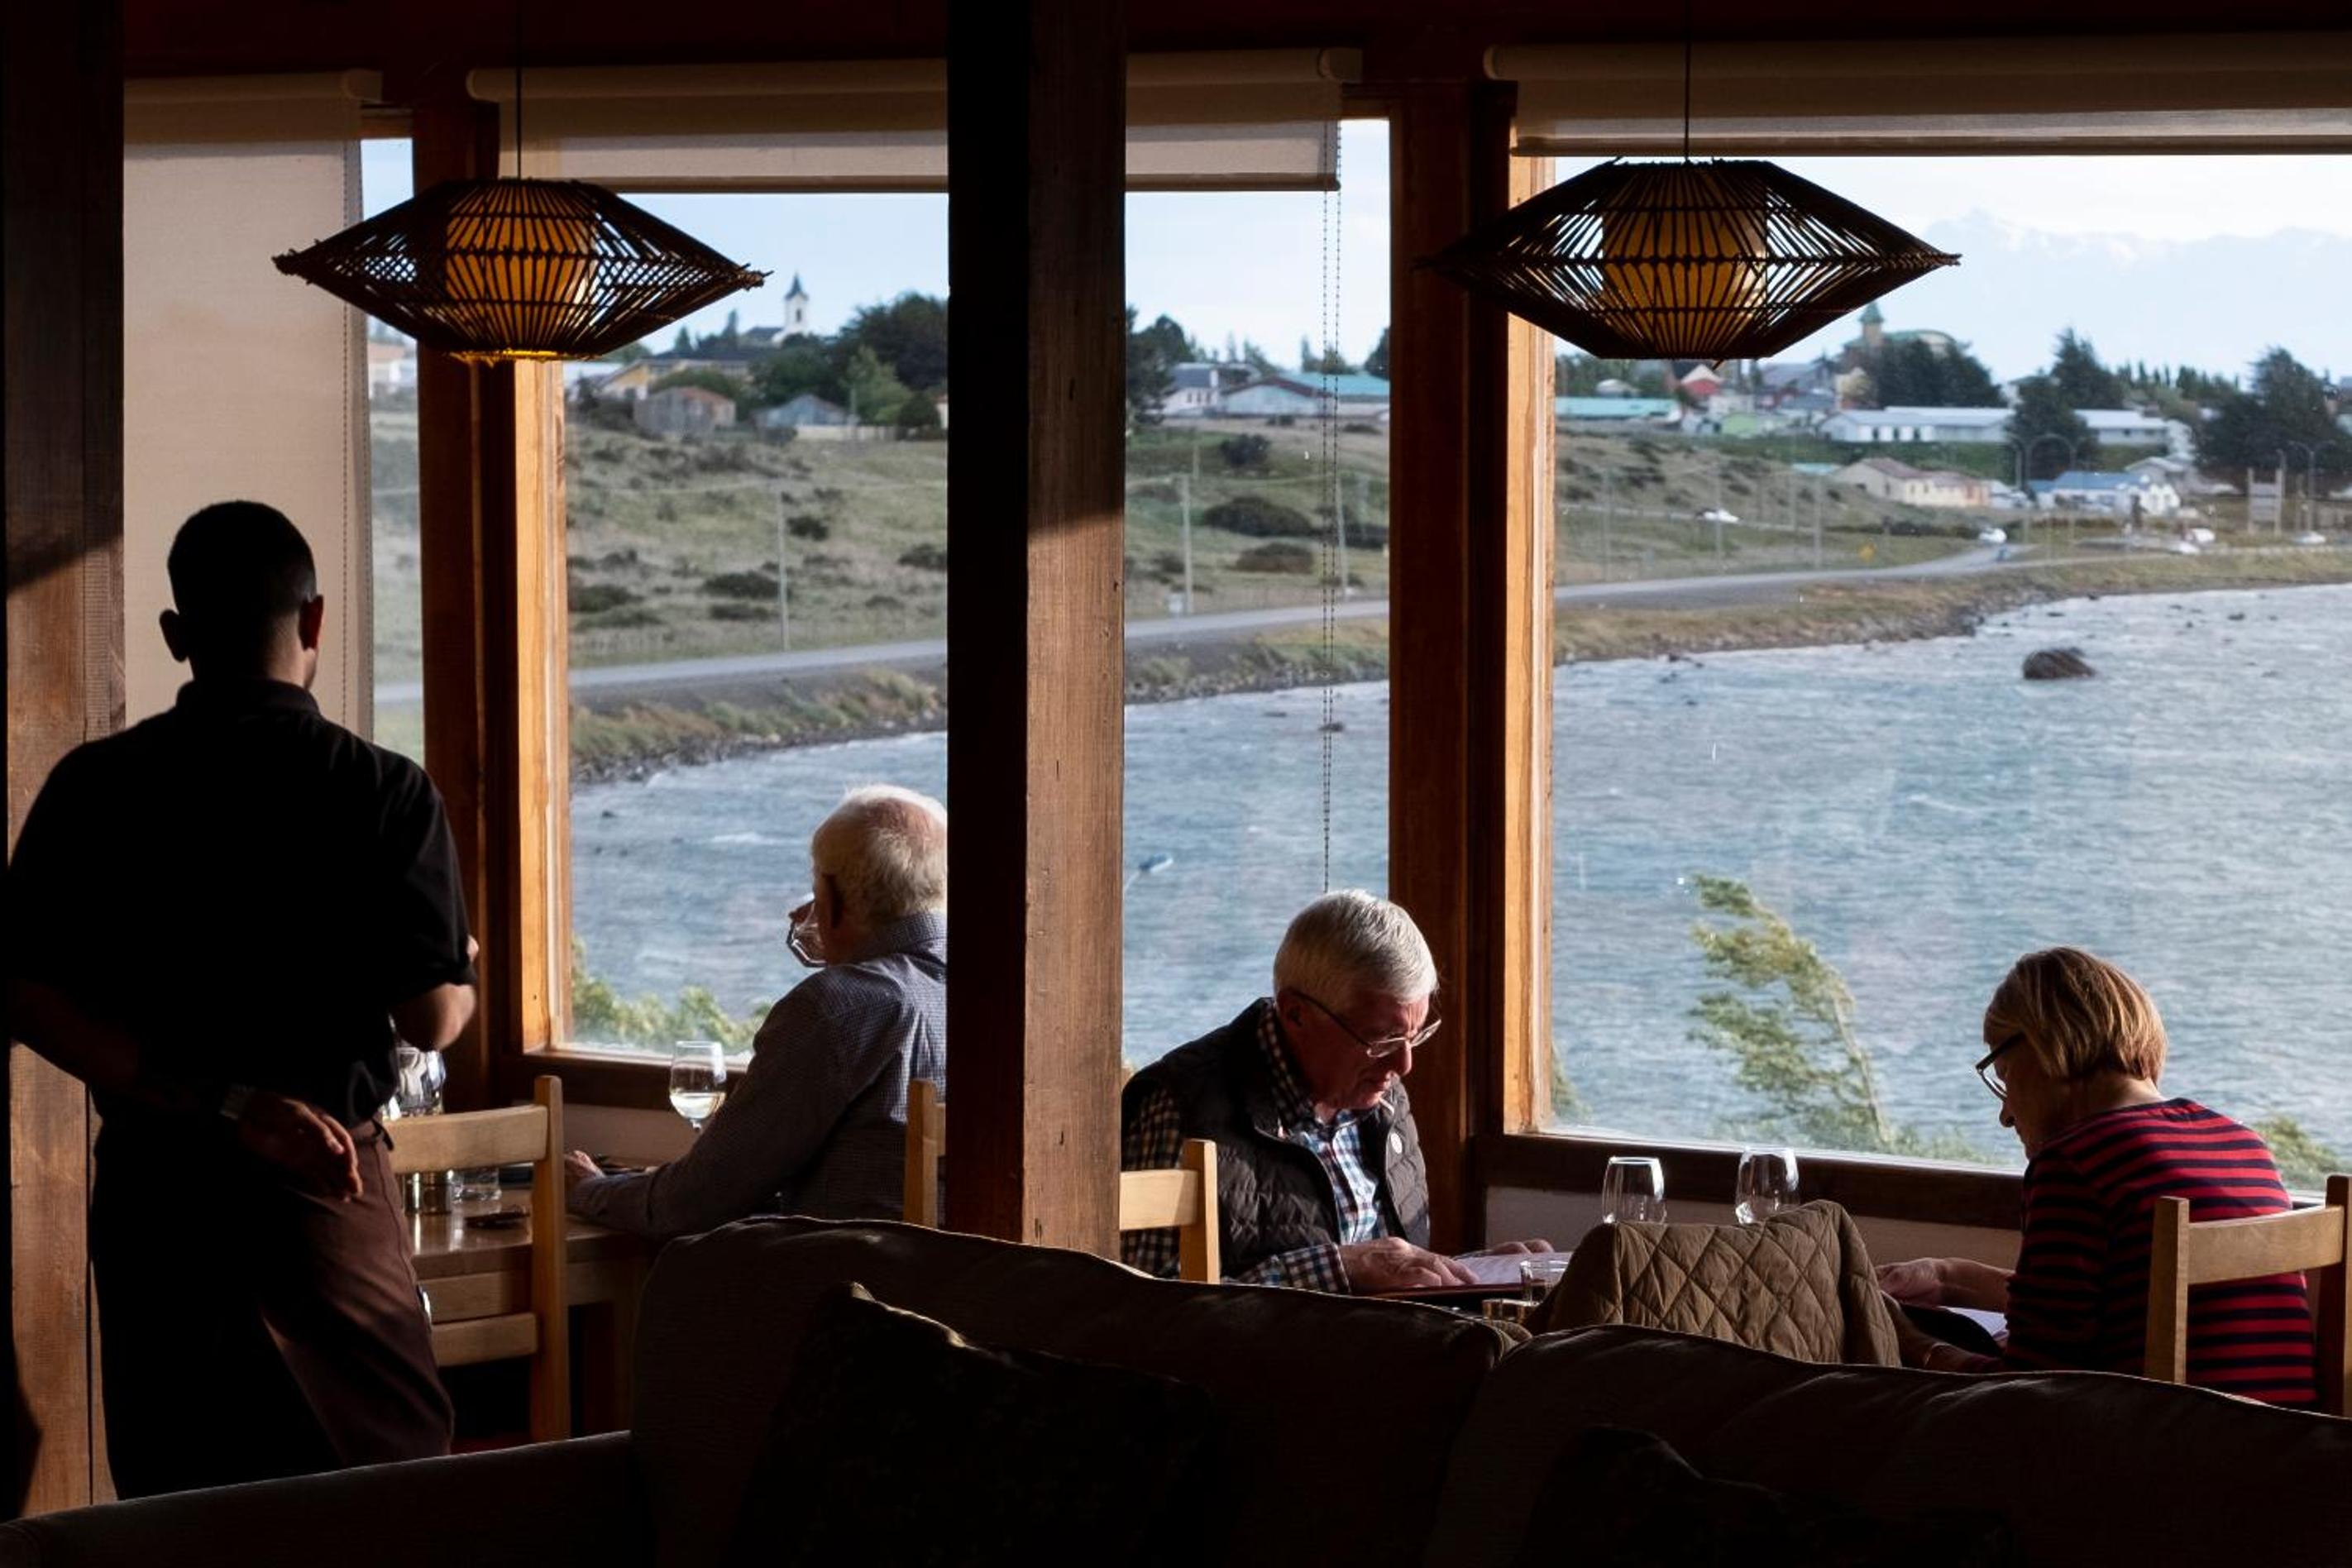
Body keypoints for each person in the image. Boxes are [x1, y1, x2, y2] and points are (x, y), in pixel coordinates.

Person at [7, 501, 476, 1495]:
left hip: (156, 1193)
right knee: (385, 1495)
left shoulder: (94, 785)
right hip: (324, 1190)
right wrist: (463, 967)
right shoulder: (383, 790)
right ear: (315, 620)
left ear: (176, 635)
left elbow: (26, 994)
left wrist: (218, 1101)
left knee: (179, 1489)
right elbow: (430, 1020)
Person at [1880, 947, 2316, 1408]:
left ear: (2043, 1043)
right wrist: (1949, 1277)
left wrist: (1909, 1340)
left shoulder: (2075, 1163)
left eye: (2004, 1077)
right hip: (2279, 1440)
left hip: (2159, 1447)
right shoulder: (2242, 1144)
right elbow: (2136, 1301)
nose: (2006, 1115)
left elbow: (2025, 1392)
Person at [566, 785, 947, 1237]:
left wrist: (591, 1189)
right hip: (965, 1275)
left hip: (841, 1275)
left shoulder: (836, 1007)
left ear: (834, 899)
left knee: (678, 1265)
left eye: (816, 889)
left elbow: (697, 1199)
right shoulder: (994, 995)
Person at [1121, 890, 1548, 1293]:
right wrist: (1337, 1269)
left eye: (1414, 1037)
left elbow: (1379, 1269)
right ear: (1296, 1014)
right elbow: (1146, 1302)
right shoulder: (1182, 1105)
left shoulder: (1380, 1094)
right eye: (1382, 1040)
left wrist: (1472, 1274)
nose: (1403, 1065)